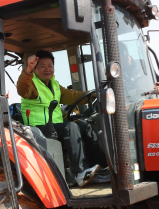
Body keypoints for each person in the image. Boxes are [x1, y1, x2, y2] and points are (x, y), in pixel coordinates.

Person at [17, 50, 105, 187]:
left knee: (84, 124)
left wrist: (94, 94)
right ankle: (80, 173)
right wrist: (27, 71)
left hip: (56, 125)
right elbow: (22, 88)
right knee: (71, 127)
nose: (47, 69)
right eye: (42, 66)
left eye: (50, 65)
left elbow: (72, 96)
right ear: (34, 68)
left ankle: (99, 166)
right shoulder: (31, 85)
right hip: (38, 128)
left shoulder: (55, 85)